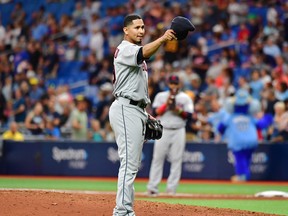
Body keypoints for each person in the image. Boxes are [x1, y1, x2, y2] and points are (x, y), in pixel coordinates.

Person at [108, 14, 177, 216]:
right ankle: (121, 211)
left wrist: (144, 113)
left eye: (143, 27)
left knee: (133, 164)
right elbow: (144, 53)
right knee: (129, 163)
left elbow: (134, 86)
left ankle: (126, 209)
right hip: (125, 108)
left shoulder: (134, 50)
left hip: (135, 108)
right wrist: (163, 39)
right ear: (126, 30)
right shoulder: (125, 49)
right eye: (136, 27)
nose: (141, 31)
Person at [146, 75, 193, 196]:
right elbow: (155, 112)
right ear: (168, 84)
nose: (173, 86)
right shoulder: (161, 96)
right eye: (171, 83)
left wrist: (177, 109)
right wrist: (166, 105)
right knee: (158, 158)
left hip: (179, 129)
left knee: (176, 159)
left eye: (175, 83)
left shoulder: (185, 97)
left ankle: (171, 189)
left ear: (179, 84)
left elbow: (189, 116)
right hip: (164, 129)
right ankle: (152, 187)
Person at [218, 89, 272, 182]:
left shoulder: (230, 117)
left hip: (237, 141)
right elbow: (260, 125)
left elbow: (221, 127)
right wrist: (268, 118)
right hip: (251, 141)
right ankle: (244, 175)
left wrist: (222, 133)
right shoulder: (249, 117)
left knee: (240, 159)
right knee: (246, 159)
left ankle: (243, 175)